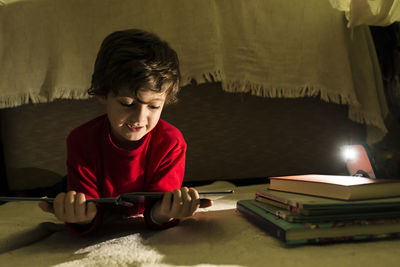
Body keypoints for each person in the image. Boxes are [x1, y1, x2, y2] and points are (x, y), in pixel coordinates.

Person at [39, 29, 211, 234]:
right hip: (91, 184)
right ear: (103, 93)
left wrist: (165, 213)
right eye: (127, 103)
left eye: (154, 106)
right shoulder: (81, 140)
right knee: (55, 197)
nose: (139, 118)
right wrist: (81, 218)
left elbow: (157, 212)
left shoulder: (171, 142)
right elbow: (89, 213)